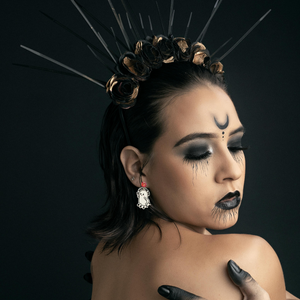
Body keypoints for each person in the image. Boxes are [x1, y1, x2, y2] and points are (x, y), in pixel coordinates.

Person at [86, 59, 293, 299]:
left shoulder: (106, 255)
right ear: (137, 167)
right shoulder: (248, 259)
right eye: (199, 153)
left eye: (236, 146)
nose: (232, 171)